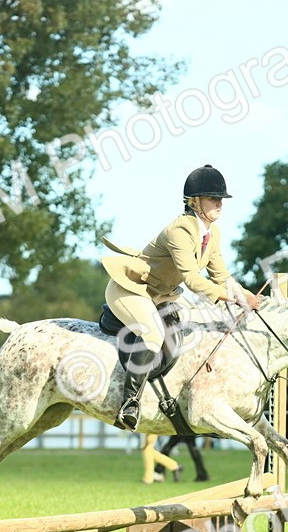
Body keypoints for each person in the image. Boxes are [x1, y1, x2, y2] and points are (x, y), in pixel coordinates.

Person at [101, 164, 261, 430]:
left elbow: (222, 276)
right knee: (152, 334)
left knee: (194, 322)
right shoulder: (181, 230)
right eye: (213, 198)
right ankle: (129, 403)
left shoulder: (213, 233)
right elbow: (193, 279)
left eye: (221, 199)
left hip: (161, 293)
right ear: (195, 202)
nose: (220, 204)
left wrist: (247, 296)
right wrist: (231, 299)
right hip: (131, 288)